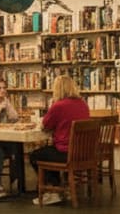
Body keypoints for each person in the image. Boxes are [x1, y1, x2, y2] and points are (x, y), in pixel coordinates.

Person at [29, 74, 91, 206]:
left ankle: (53, 191)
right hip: (83, 152)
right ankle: (60, 189)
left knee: (35, 155)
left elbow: (45, 125)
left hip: (66, 153)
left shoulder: (59, 106)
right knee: (48, 153)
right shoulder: (82, 104)